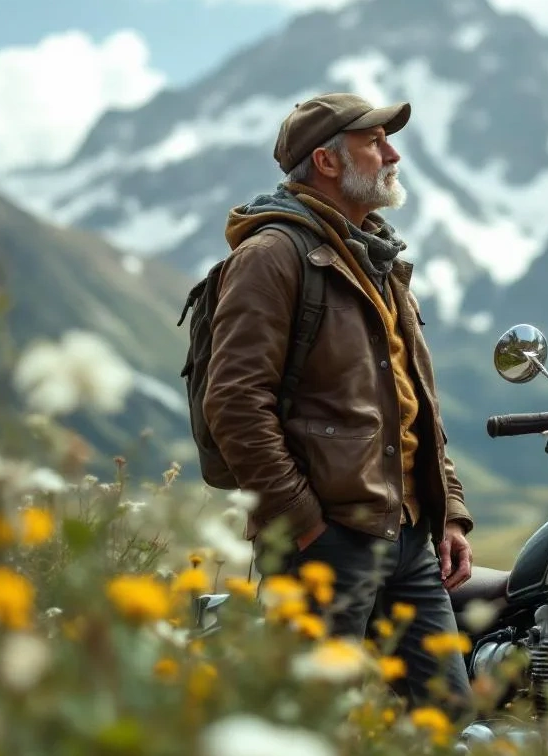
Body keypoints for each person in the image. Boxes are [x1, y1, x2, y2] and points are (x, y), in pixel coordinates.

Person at [201, 92, 475, 710]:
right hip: (329, 540)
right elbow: (235, 402)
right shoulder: (271, 256)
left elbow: (413, 404)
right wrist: (302, 524)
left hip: (408, 534)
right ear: (326, 161)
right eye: (374, 142)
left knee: (447, 719)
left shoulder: (376, 255)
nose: (392, 153)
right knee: (316, 724)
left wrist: (448, 510)